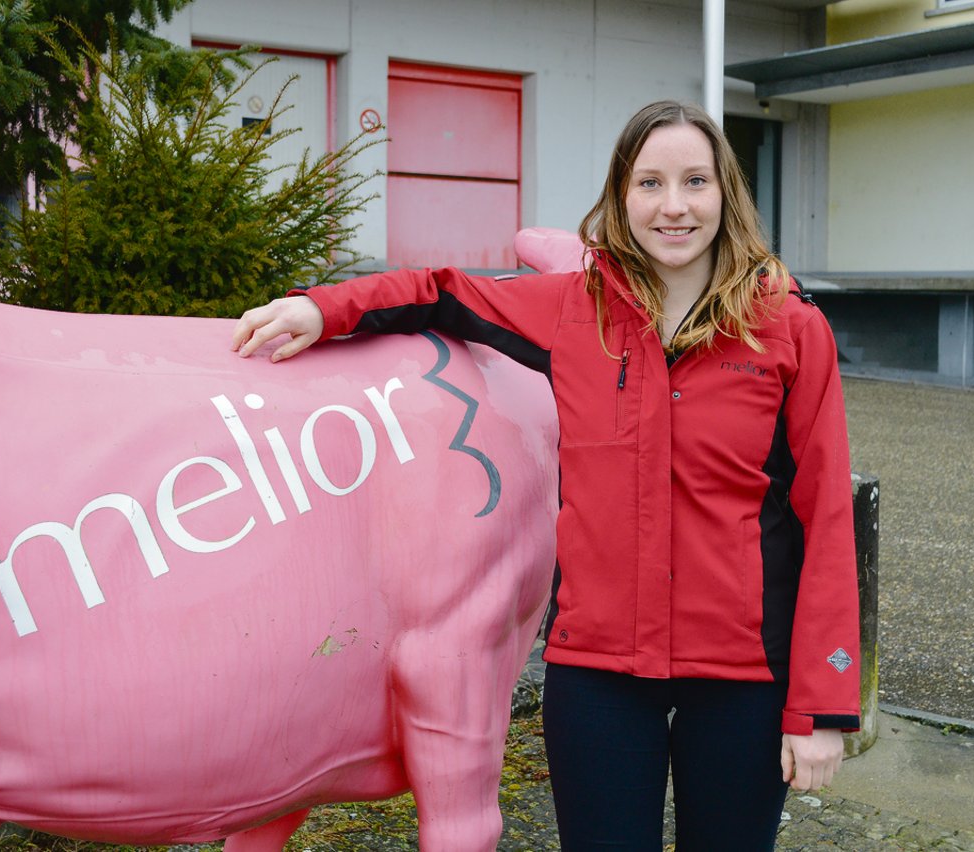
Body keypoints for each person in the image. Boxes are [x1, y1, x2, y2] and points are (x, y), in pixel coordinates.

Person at [230, 100, 860, 851]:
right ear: (621, 199)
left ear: (726, 193)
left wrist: (818, 709)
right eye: (650, 184)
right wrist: (321, 308)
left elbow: (826, 518)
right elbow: (443, 292)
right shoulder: (575, 311)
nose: (674, 206)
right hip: (598, 676)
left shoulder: (788, 328)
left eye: (695, 182)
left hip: (742, 680)